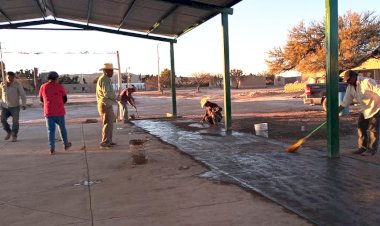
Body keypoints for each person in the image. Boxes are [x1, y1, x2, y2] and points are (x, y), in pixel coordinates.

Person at [339, 70, 380, 156]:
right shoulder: (350, 87)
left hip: (376, 107)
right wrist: (337, 111)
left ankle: (371, 150)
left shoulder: (367, 81)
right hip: (364, 109)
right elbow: (346, 101)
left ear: (354, 76)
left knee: (373, 129)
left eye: (349, 80)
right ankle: (362, 148)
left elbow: (378, 90)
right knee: (361, 128)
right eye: (346, 80)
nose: (348, 82)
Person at [39, 71, 71, 155]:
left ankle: (52, 148)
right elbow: (65, 99)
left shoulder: (43, 87)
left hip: (48, 112)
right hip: (59, 112)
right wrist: (59, 104)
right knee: (62, 128)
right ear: (56, 78)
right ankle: (66, 145)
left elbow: (41, 99)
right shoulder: (60, 87)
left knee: (51, 131)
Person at [96, 63, 120, 149]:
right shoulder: (104, 79)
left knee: (110, 123)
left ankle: (108, 140)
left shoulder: (105, 79)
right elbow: (107, 93)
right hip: (105, 104)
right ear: (105, 71)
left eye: (112, 70)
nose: (112, 72)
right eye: (111, 70)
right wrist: (116, 97)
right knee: (107, 123)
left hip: (107, 104)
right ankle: (105, 142)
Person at [0, 70, 27, 142]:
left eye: (10, 77)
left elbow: (23, 95)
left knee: (15, 122)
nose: (9, 79)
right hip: (4, 106)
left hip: (15, 106)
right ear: (5, 77)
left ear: (13, 77)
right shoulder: (2, 84)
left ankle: (14, 135)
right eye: (8, 77)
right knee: (2, 120)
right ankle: (9, 132)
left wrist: (24, 104)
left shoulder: (17, 85)